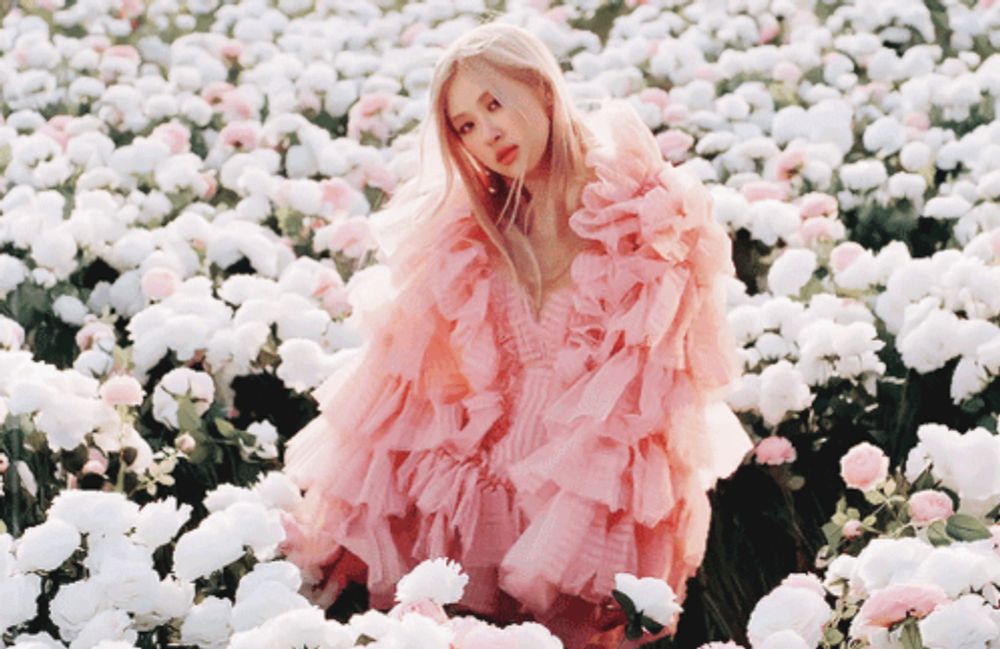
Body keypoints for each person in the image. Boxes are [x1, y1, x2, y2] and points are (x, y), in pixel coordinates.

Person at [280, 22, 750, 648]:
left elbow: (659, 407)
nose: (486, 133)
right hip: (467, 507)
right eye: (466, 126)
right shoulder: (468, 235)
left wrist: (621, 549)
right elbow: (402, 389)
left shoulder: (649, 220)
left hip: (572, 513)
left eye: (494, 103)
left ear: (541, 86)